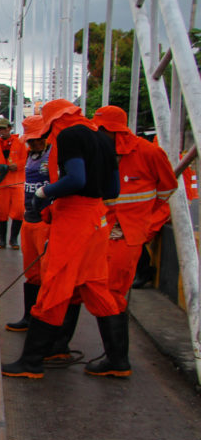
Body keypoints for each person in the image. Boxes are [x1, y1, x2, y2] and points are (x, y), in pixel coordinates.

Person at [2, 99, 122, 379]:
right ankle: (118, 359)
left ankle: (31, 362)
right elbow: (113, 188)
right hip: (97, 219)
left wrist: (45, 193)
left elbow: (76, 179)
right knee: (95, 286)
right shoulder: (101, 138)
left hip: (75, 220)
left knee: (54, 285)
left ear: (54, 121)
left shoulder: (69, 135)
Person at [85, 105, 177, 376]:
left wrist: (148, 223)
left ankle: (117, 361)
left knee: (111, 294)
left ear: (112, 130)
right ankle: (115, 357)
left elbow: (168, 188)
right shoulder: (102, 153)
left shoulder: (148, 152)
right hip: (104, 232)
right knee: (100, 290)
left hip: (127, 235)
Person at [5, 115, 50, 332]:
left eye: (38, 139)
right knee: (31, 272)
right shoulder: (31, 156)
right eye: (31, 141)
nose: (34, 144)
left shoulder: (53, 157)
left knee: (47, 273)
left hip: (46, 222)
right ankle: (28, 317)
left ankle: (44, 322)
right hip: (29, 220)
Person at [0, 118, 28, 249]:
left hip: (17, 183)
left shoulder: (20, 143)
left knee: (19, 211)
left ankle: (14, 239)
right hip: (1, 184)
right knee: (1, 212)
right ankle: (2, 240)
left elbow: (26, 159)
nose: (2, 131)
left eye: (4, 128)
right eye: (0, 129)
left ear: (9, 128)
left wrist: (18, 165)